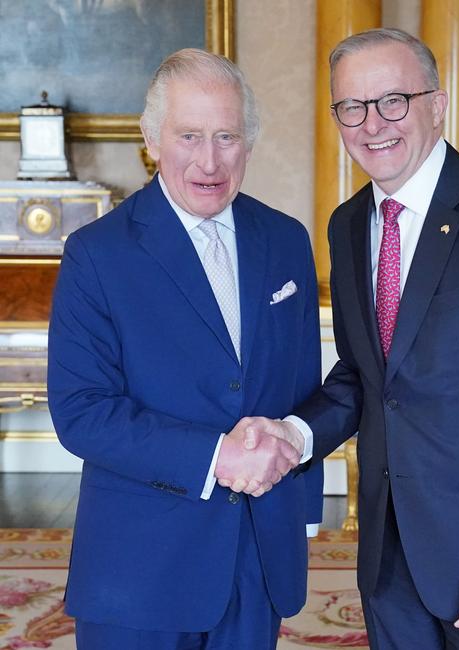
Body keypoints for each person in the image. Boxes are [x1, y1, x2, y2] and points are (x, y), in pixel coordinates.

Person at [241, 28, 459, 649]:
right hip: (388, 553)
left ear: (436, 104)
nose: (372, 123)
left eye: (393, 100)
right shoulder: (348, 225)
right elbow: (363, 376)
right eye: (351, 106)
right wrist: (295, 435)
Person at [47, 48, 323, 650]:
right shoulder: (97, 253)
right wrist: (215, 458)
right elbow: (82, 411)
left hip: (258, 548)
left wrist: (298, 511)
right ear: (152, 139)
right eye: (189, 135)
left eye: (227, 136)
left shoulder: (286, 240)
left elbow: (305, 386)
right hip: (140, 564)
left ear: (249, 140)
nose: (209, 159)